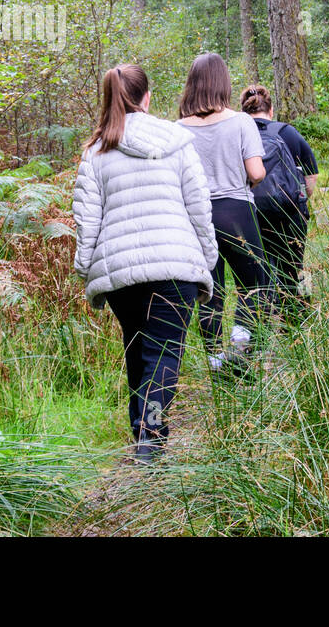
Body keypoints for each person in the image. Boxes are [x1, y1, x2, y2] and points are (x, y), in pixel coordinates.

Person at [72, 64, 218, 464]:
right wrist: (207, 258)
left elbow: (87, 221)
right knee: (163, 354)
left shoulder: (96, 151)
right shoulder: (178, 140)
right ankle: (151, 440)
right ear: (148, 97)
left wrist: (85, 269)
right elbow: (199, 208)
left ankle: (142, 436)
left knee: (138, 350)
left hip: (120, 276)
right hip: (173, 268)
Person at [176, 53, 270, 371]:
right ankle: (241, 343)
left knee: (209, 291)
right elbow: (256, 172)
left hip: (196, 216)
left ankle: (217, 362)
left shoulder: (177, 130)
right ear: (224, 83)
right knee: (256, 282)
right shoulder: (241, 121)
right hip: (237, 211)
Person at [239, 84, 318, 312]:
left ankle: (257, 326)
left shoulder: (239, 133)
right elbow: (310, 180)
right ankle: (295, 321)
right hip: (289, 213)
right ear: (271, 109)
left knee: (256, 272)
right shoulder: (288, 132)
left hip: (250, 214)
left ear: (243, 112)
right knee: (292, 268)